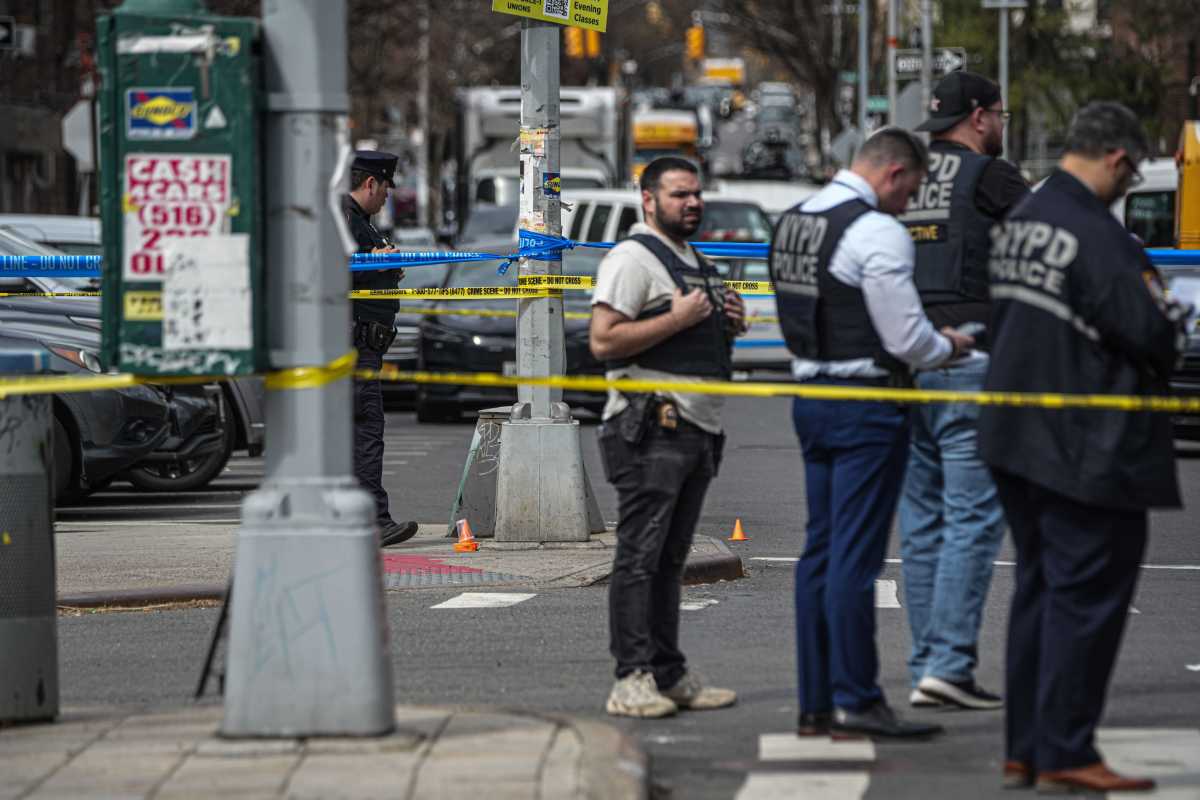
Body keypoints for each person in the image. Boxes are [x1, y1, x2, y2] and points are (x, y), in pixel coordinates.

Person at [980, 102, 1189, 793]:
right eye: (1128, 179)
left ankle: (1027, 747)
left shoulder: (1019, 222)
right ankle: (1066, 747)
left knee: (1039, 590)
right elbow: (1151, 335)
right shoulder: (1100, 236)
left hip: (1014, 433)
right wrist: (1169, 323)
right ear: (1119, 160)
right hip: (1086, 445)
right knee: (1087, 598)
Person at [769, 128, 973, 739]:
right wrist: (949, 346)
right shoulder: (876, 229)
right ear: (893, 174)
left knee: (821, 554)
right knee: (855, 560)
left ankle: (815, 703)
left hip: (812, 396)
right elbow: (906, 338)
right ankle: (857, 698)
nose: (910, 203)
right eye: (911, 190)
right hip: (867, 405)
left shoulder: (795, 220)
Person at [589, 156, 745, 719]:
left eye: (697, 194)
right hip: (652, 429)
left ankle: (667, 672)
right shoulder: (631, 258)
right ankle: (630, 678)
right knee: (639, 556)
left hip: (698, 430)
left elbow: (695, 326)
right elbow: (604, 341)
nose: (693, 203)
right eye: (680, 195)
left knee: (669, 560)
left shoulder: (694, 260)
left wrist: (727, 320)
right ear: (648, 201)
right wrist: (678, 320)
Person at [896, 71, 1029, 711]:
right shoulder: (991, 176)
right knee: (973, 520)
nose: (1002, 126)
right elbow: (1050, 241)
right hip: (972, 362)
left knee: (922, 525)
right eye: (1000, 114)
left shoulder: (910, 176)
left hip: (906, 367)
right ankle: (947, 664)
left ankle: (928, 663)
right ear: (979, 117)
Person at [343, 150, 419, 548]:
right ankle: (374, 520)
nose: (388, 194)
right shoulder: (346, 221)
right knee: (366, 430)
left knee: (354, 432)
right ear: (370, 183)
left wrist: (383, 264)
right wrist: (373, 262)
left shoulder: (359, 224)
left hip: (360, 344)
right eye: (386, 186)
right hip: (355, 345)